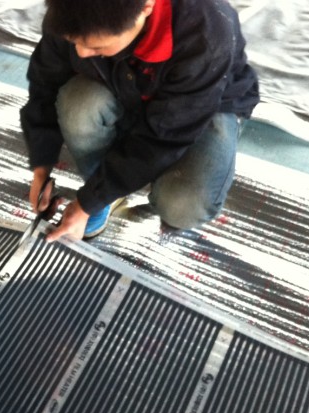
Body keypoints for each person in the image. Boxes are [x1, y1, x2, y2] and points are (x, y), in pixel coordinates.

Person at [20, 0, 259, 243]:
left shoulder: (205, 34)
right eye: (74, 42)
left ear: (146, 8)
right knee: (79, 106)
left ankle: (110, 188)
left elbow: (163, 137)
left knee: (183, 204)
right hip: (124, 85)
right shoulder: (72, 11)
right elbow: (44, 86)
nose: (81, 52)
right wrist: (41, 168)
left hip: (202, 105)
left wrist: (85, 204)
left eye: (96, 46)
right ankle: (103, 189)